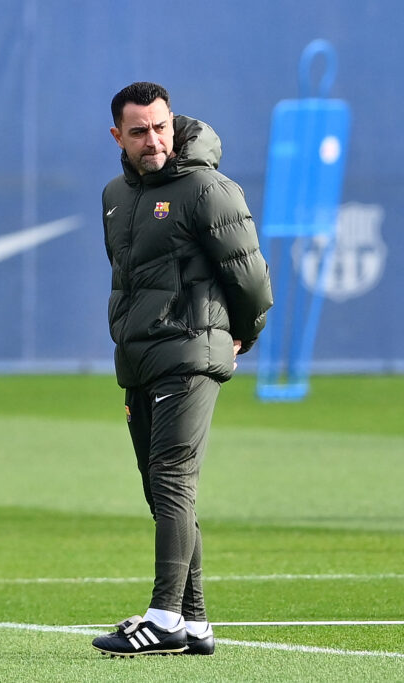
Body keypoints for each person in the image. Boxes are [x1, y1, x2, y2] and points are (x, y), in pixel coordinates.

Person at [92, 82, 273, 658]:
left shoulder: (207, 188)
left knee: (172, 477)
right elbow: (128, 279)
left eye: (161, 127)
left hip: (191, 351)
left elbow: (251, 279)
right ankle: (193, 621)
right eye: (139, 131)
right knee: (160, 489)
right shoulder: (115, 194)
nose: (154, 140)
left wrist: (243, 333)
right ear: (117, 136)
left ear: (175, 123)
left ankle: (163, 613)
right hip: (139, 358)